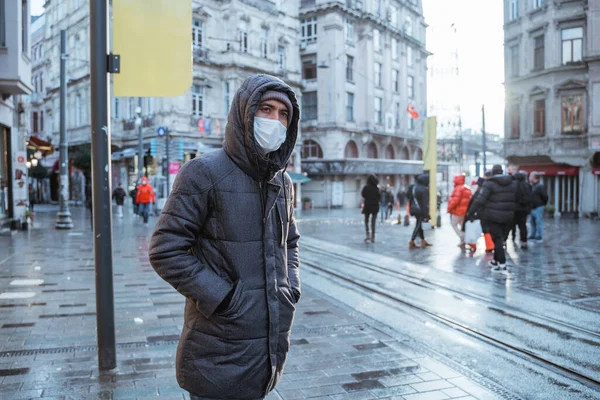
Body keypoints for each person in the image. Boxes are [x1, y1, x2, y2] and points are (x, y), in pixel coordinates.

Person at [148, 74, 301, 400]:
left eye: (283, 114)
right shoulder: (203, 172)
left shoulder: (283, 183)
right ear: (245, 113)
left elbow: (290, 242)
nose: (274, 120)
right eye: (266, 109)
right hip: (216, 350)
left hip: (266, 352)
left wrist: (290, 288)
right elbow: (165, 249)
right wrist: (224, 298)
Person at [466, 165, 516, 271]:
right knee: (502, 238)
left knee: (497, 239)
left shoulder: (489, 184)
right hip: (508, 215)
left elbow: (480, 200)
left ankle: (502, 263)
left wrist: (471, 212)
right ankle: (495, 261)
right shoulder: (512, 183)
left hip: (493, 215)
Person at [407, 173, 431, 249]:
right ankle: (412, 241)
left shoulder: (413, 187)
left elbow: (408, 197)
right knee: (418, 225)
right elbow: (425, 204)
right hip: (420, 210)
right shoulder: (424, 189)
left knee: (419, 224)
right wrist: (427, 215)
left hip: (414, 208)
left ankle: (423, 241)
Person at [447, 175, 472, 247]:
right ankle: (463, 241)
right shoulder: (467, 188)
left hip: (457, 211)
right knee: (462, 225)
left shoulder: (458, 188)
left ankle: (463, 237)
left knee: (454, 224)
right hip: (465, 211)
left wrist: (449, 208)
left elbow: (455, 200)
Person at [511, 171, 532, 249]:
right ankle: (524, 241)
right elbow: (530, 198)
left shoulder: (513, 186)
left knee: (510, 225)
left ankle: (510, 238)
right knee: (522, 226)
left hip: (514, 209)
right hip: (524, 209)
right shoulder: (528, 186)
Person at [528, 172, 548, 243]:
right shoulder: (532, 186)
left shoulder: (540, 186)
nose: (529, 178)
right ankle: (533, 234)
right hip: (532, 207)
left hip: (538, 206)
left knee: (539, 221)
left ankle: (539, 235)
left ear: (534, 177)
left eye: (530, 176)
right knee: (532, 222)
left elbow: (545, 196)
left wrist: (543, 204)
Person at [362, 174, 380, 243]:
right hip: (375, 206)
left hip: (367, 206)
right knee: (373, 221)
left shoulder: (366, 187)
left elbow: (363, 194)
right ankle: (373, 235)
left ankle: (367, 234)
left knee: (366, 220)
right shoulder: (376, 188)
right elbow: (379, 197)